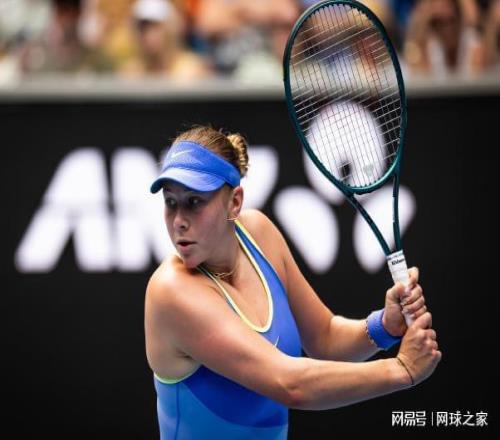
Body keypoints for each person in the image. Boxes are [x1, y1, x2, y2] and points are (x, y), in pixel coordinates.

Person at [145, 125, 441, 439]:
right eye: (171, 202)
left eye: (194, 201)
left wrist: (385, 326)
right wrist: (401, 369)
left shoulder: (258, 234)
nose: (179, 221)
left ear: (234, 202)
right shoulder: (171, 292)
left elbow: (325, 338)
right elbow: (291, 385)